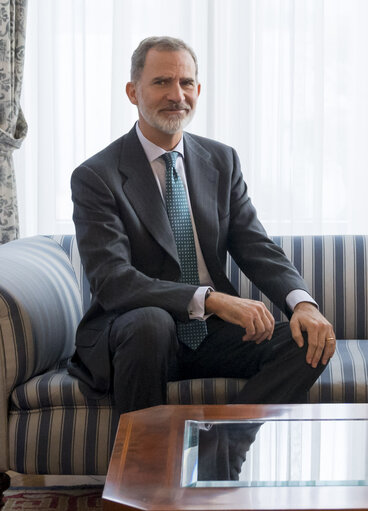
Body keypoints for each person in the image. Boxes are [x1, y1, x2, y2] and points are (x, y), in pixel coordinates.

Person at [68, 36, 335, 417]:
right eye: (161, 82)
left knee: (310, 339)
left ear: (198, 89)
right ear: (133, 91)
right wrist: (211, 299)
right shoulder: (97, 175)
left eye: (186, 83)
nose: (176, 94)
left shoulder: (221, 160)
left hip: (211, 335)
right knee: (151, 324)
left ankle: (221, 447)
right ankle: (141, 472)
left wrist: (303, 304)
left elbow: (256, 246)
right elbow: (114, 280)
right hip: (138, 334)